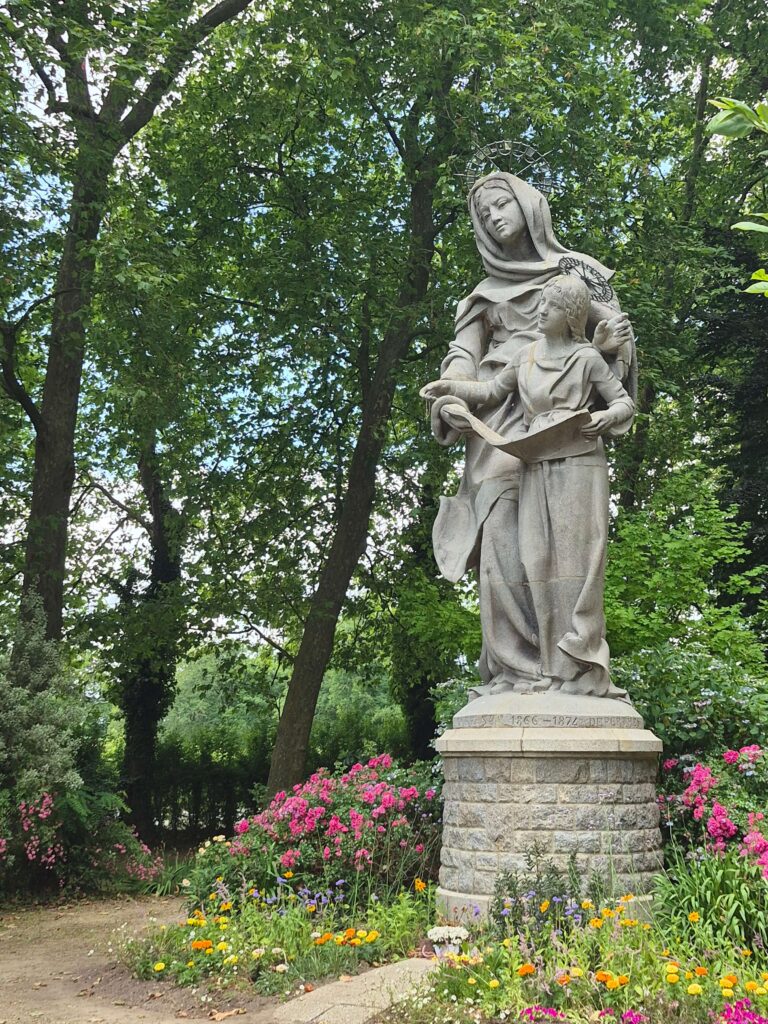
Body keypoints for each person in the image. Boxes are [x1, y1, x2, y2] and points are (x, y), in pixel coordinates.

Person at [423, 171, 636, 699]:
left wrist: (611, 343)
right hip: (499, 417)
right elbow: (465, 357)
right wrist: (453, 390)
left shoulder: (571, 277)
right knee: (498, 529)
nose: (496, 218)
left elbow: (612, 355)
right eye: (485, 214)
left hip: (558, 420)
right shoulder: (483, 294)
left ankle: (568, 662)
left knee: (566, 540)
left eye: (502, 205)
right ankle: (516, 668)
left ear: (528, 205)